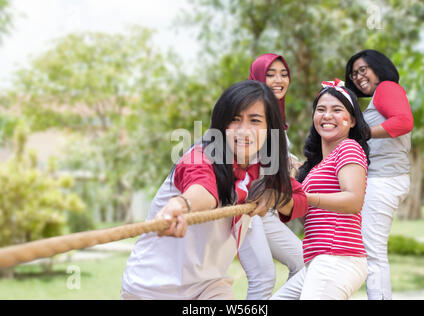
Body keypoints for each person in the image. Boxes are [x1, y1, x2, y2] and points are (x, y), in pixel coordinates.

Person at [121, 80, 308, 300]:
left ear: (270, 129)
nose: (244, 131)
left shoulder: (266, 169)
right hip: (151, 287)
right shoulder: (198, 157)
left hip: (208, 287)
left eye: (255, 121)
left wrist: (275, 197)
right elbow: (202, 188)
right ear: (221, 126)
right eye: (234, 120)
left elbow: (300, 199)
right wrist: (182, 205)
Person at [271, 79, 371, 300]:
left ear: (352, 120)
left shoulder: (348, 148)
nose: (327, 116)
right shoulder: (318, 165)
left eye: (337, 110)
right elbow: (299, 207)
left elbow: (354, 200)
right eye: (321, 110)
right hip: (319, 261)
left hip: (337, 257)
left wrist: (306, 197)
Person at [345, 49, 413, 300]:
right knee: (366, 251)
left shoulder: (387, 87)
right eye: (354, 74)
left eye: (363, 69)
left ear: (378, 67)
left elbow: (404, 121)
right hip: (381, 179)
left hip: (384, 179)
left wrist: (363, 132)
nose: (358, 77)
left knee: (372, 253)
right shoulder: (381, 95)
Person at [237, 53, 305, 300]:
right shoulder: (251, 114)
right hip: (247, 209)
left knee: (305, 264)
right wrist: (289, 167)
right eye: (270, 74)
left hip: (268, 211)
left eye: (284, 74)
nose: (279, 80)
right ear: (256, 77)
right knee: (263, 279)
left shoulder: (278, 119)